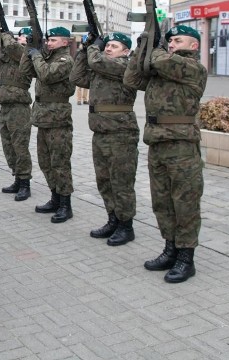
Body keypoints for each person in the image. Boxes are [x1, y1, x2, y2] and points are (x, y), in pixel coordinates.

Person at [124, 25, 207, 283]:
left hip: (181, 145)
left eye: (177, 40)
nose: (171, 44)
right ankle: (170, 248)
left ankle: (186, 257)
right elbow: (132, 78)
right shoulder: (161, 67)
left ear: (194, 45)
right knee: (162, 201)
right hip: (157, 143)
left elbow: (158, 59)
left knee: (185, 203)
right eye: (169, 41)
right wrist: (141, 46)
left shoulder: (193, 68)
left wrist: (154, 43)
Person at [70, 32, 139, 245]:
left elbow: (97, 60)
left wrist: (94, 48)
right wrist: (83, 51)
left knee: (122, 182)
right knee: (105, 180)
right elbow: (76, 78)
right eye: (107, 45)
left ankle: (126, 226)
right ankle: (112, 219)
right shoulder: (101, 69)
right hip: (100, 132)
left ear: (125, 51)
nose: (108, 48)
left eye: (114, 46)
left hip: (121, 133)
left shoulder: (125, 66)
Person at [26, 27, 76, 222]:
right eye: (48, 40)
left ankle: (66, 204)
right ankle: (55, 198)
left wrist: (37, 55)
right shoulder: (48, 58)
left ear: (65, 42)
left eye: (53, 40)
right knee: (45, 162)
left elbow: (46, 75)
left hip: (58, 120)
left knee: (60, 164)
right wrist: (30, 49)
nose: (49, 43)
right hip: (43, 119)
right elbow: (27, 71)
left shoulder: (66, 61)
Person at [0, 25, 33, 201]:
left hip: (19, 108)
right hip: (5, 106)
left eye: (23, 37)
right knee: (8, 146)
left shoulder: (26, 55)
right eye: (19, 36)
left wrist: (6, 36)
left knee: (20, 146)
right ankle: (17, 178)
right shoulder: (9, 58)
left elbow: (14, 48)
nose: (19, 39)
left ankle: (25, 183)